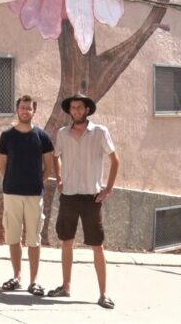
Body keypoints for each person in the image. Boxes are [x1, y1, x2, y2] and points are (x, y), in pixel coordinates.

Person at [48, 94, 120, 309]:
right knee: (66, 241)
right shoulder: (62, 133)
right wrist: (59, 178)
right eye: (73, 108)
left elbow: (115, 160)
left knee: (97, 245)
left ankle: (103, 293)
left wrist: (108, 188)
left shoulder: (100, 132)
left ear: (87, 110)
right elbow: (55, 156)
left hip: (91, 198)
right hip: (69, 196)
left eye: (79, 107)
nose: (76, 111)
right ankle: (66, 286)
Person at [0, 95, 54, 296]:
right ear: (17, 109)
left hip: (34, 195)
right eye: (22, 108)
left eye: (29, 108)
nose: (25, 111)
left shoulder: (42, 137)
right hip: (11, 193)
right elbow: (2, 166)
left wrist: (38, 182)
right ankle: (17, 276)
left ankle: (34, 281)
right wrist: (13, 181)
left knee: (34, 239)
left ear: (34, 111)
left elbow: (49, 166)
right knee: (13, 237)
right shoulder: (7, 136)